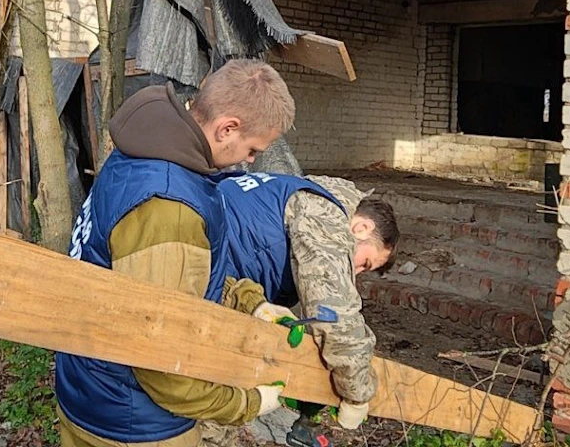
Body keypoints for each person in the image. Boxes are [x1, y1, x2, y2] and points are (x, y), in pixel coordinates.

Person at [55, 59, 299, 447]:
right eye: (253, 149)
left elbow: (171, 282)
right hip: (136, 423)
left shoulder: (147, 150)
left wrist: (251, 303)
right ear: (227, 128)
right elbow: (159, 355)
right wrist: (246, 402)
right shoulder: (170, 204)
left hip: (91, 386)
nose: (251, 161)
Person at [218, 172, 400, 443]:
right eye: (365, 263)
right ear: (361, 228)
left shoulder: (305, 191)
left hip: (206, 268)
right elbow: (335, 314)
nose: (356, 273)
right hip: (195, 276)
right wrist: (357, 394)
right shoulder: (325, 216)